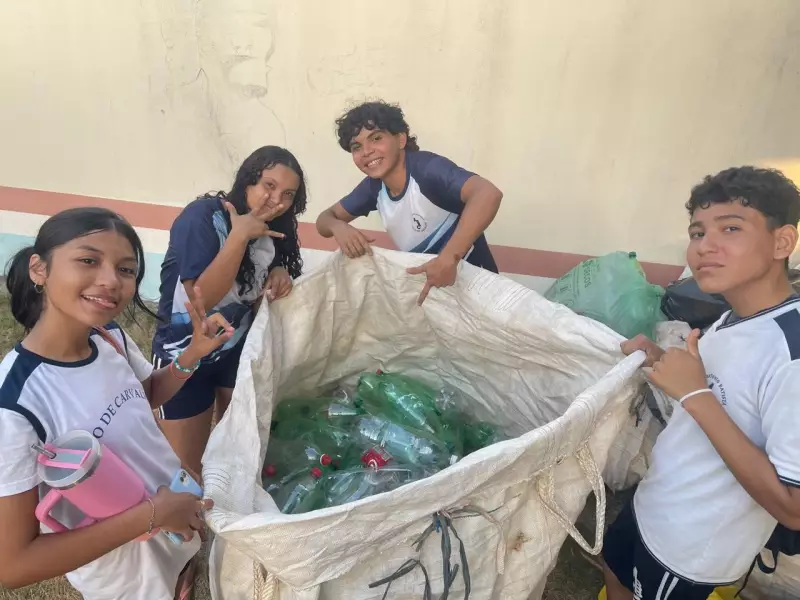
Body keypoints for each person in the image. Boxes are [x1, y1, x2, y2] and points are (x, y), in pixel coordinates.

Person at [0, 207, 233, 599]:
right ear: (39, 269)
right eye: (88, 260)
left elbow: (144, 396)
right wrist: (153, 515)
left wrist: (192, 354)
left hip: (175, 530)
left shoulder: (108, 337)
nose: (111, 281)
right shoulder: (15, 404)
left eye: (126, 269)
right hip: (128, 578)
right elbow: (15, 565)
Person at [603, 167, 800, 600]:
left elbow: (793, 507)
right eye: (697, 232)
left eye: (730, 228)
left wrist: (695, 394)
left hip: (690, 548)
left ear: (782, 242)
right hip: (655, 501)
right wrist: (658, 361)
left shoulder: (792, 354)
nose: (704, 247)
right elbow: (719, 396)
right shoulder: (733, 316)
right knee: (614, 572)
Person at [152, 146, 307, 473]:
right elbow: (202, 299)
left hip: (236, 351)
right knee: (186, 471)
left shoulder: (274, 228)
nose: (277, 200)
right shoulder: (203, 217)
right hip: (185, 355)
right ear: (248, 180)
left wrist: (279, 272)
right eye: (269, 185)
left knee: (235, 459)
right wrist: (239, 237)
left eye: (288, 194)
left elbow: (256, 289)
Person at [316, 100, 503, 305]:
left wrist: (448, 258)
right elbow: (324, 220)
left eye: (376, 138)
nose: (367, 151)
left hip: (481, 293)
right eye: (357, 147)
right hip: (439, 299)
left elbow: (487, 193)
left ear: (401, 139)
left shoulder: (426, 169)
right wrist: (338, 227)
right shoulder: (373, 188)